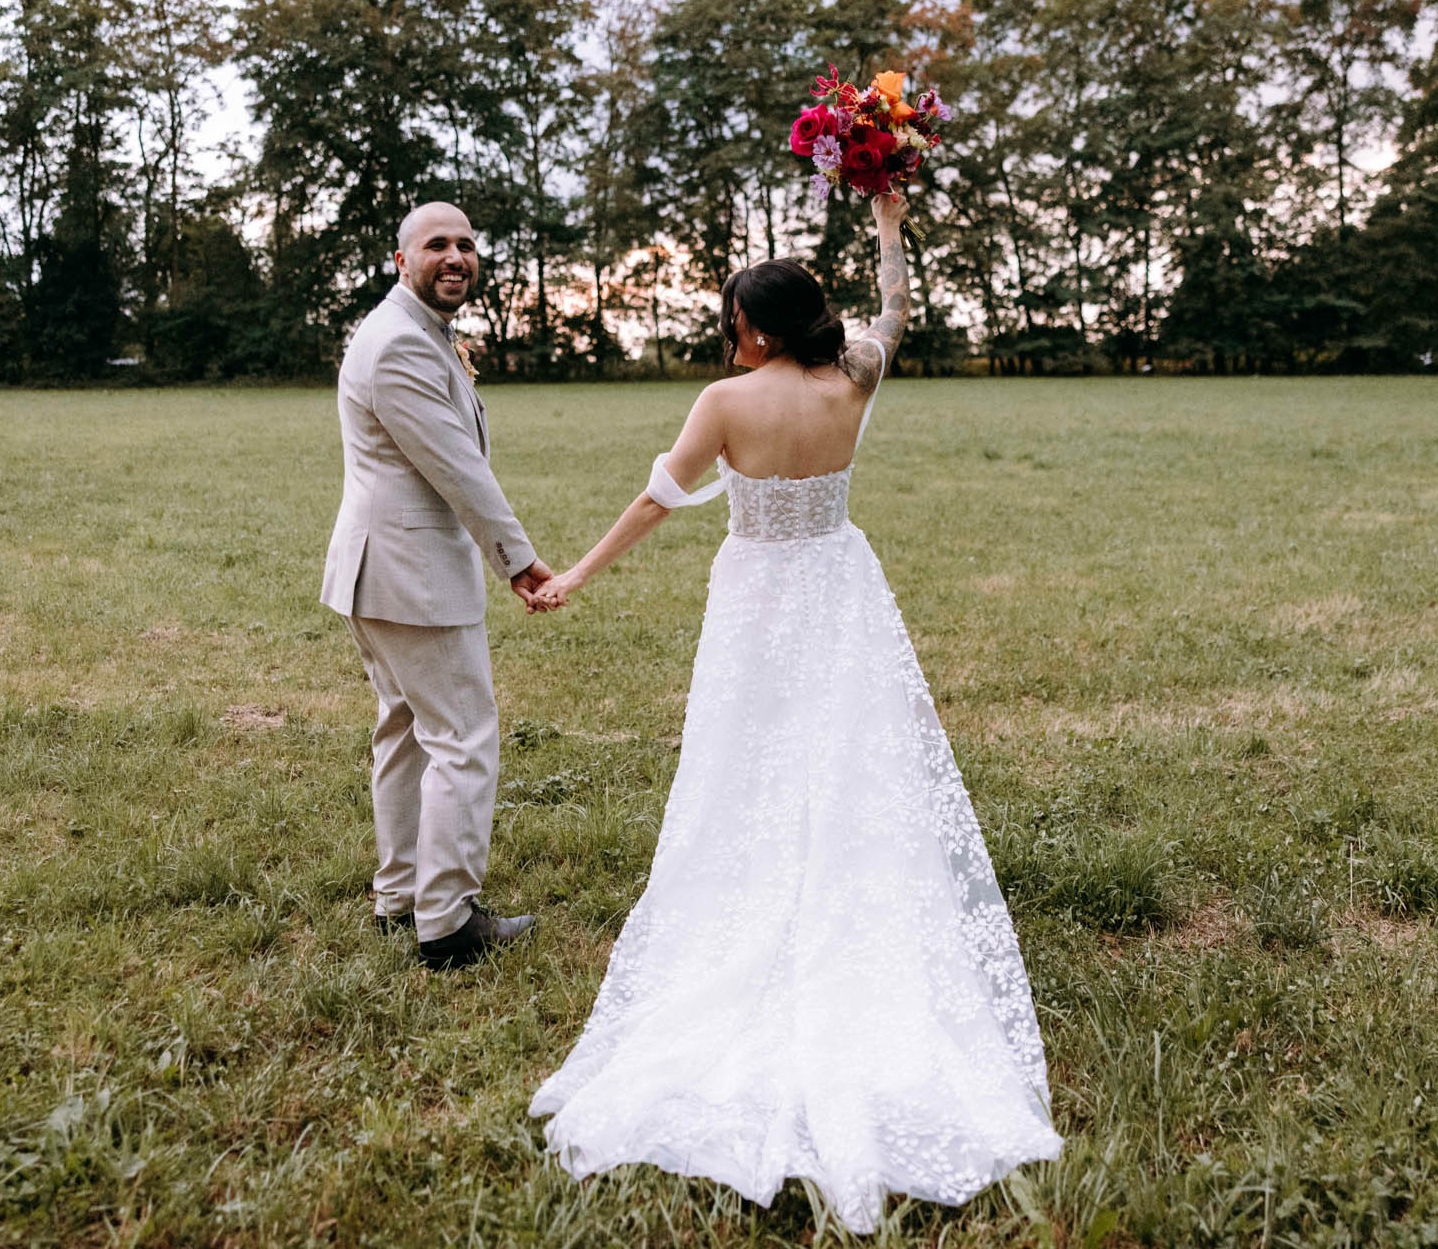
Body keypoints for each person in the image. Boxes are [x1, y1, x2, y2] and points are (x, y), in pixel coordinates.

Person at [526, 192, 1063, 1231]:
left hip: (759, 597)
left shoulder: (727, 400)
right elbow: (897, 308)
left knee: (745, 758)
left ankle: (762, 895)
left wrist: (576, 575)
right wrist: (889, 218)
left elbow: (655, 501)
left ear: (753, 328)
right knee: (851, 752)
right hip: (840, 584)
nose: (727, 334)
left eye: (733, 319)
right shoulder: (852, 375)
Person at [320, 201, 552, 969]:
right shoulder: (398, 347)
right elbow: (457, 467)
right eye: (436, 246)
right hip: (409, 577)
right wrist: (517, 558)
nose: (455, 257)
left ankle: (400, 896)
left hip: (382, 571)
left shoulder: (417, 333)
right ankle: (447, 921)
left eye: (466, 245)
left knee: (406, 732)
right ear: (401, 260)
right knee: (462, 737)